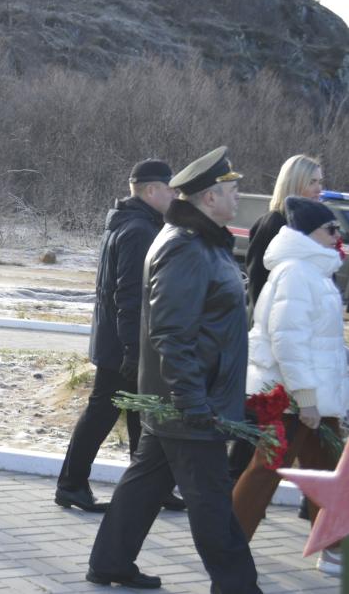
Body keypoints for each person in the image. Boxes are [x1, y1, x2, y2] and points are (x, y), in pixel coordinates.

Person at [88, 147, 260, 592]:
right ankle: (238, 586)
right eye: (231, 190)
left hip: (183, 398)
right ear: (208, 199)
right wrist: (192, 400)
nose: (238, 196)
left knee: (145, 485)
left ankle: (109, 563)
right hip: (190, 403)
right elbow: (170, 333)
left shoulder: (199, 241)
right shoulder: (185, 247)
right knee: (213, 507)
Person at [56, 160, 184, 513]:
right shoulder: (139, 229)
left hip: (121, 340)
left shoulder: (128, 221)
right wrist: (132, 349)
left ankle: (150, 488)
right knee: (103, 413)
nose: (175, 195)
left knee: (139, 414)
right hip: (125, 343)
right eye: (171, 188)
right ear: (151, 190)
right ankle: (71, 485)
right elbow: (128, 295)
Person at [232, 196, 349, 576]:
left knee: (328, 475)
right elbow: (288, 341)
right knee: (266, 470)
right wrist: (307, 399)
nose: (338, 235)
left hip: (314, 397)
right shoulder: (296, 273)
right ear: (308, 234)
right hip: (293, 398)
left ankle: (333, 548)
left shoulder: (312, 272)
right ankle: (227, 545)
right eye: (331, 229)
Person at [245, 155, 323, 309]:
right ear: (294, 184)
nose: (319, 189)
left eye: (320, 182)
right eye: (312, 182)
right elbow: (258, 282)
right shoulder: (274, 223)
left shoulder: (311, 227)